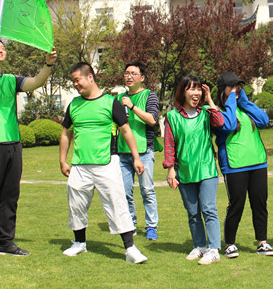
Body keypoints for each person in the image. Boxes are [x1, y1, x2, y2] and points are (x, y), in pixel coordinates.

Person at [0, 37, 57, 263]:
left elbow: (35, 82)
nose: (0, 50)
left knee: (10, 197)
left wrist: (48, 64)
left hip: (13, 144)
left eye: (3, 48)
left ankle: (6, 243)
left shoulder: (10, 80)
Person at [58, 62, 148, 264]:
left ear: (90, 77)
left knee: (117, 203)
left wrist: (135, 157)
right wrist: (62, 160)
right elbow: (66, 134)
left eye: (77, 80)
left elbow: (126, 131)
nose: (75, 84)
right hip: (80, 165)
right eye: (73, 81)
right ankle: (79, 243)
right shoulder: (74, 105)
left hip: (107, 163)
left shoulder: (111, 102)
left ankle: (130, 249)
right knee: (76, 205)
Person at [213, 72, 273, 259]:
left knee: (260, 204)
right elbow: (230, 125)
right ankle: (230, 244)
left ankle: (262, 243)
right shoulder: (217, 112)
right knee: (236, 205)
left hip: (257, 163)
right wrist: (232, 100)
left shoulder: (244, 108)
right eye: (231, 87)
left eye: (238, 87)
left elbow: (264, 121)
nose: (236, 90)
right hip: (235, 165)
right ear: (222, 90)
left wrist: (245, 102)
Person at [163, 75, 224, 265]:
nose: (196, 93)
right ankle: (200, 246)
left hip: (206, 169)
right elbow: (169, 145)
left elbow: (220, 123)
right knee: (193, 212)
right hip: (185, 171)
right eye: (191, 89)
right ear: (183, 92)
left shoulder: (206, 112)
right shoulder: (172, 117)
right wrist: (171, 170)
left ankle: (214, 249)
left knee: (208, 209)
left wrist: (211, 100)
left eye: (199, 89)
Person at [116, 61, 160, 240]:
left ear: (142, 77)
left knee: (147, 190)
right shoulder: (118, 99)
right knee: (125, 192)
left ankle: (151, 226)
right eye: (127, 73)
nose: (129, 76)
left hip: (144, 150)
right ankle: (130, 224)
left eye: (133, 73)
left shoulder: (150, 95)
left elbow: (152, 119)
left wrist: (132, 106)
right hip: (122, 151)